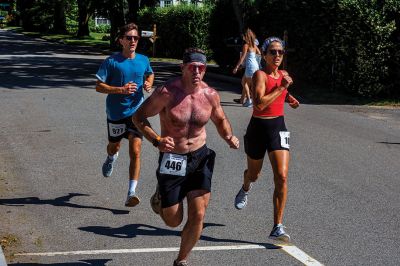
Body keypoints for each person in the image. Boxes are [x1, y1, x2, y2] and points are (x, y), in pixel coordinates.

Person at [133, 48, 239, 266]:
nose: (197, 72)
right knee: (174, 220)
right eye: (192, 68)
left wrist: (229, 136)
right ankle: (160, 197)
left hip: (200, 157)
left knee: (198, 214)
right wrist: (156, 140)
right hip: (173, 158)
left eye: (201, 68)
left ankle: (181, 260)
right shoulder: (167, 92)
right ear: (183, 68)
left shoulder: (210, 95)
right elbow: (139, 116)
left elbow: (220, 120)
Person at [234, 37, 300, 242]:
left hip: (278, 127)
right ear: (264, 55)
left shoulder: (284, 75)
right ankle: (246, 186)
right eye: (273, 52)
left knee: (281, 175)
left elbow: (283, 90)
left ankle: (277, 226)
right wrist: (282, 89)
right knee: (254, 175)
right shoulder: (259, 75)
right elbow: (260, 104)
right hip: (258, 128)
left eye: (281, 52)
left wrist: (289, 98)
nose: (278, 55)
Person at [95, 22, 154, 207]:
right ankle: (111, 157)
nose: (133, 41)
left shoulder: (143, 60)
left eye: (136, 38)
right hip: (116, 113)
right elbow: (98, 86)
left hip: (136, 113)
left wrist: (148, 84)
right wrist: (120, 89)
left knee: (135, 151)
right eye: (129, 38)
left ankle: (131, 193)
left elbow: (150, 74)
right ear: (121, 40)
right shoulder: (111, 62)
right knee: (114, 146)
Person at [232, 29, 261, 107]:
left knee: (245, 83)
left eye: (243, 36)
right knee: (246, 82)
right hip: (255, 65)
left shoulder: (246, 45)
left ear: (246, 37)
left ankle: (249, 100)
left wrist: (236, 67)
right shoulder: (254, 45)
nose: (243, 38)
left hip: (250, 66)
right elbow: (259, 53)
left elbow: (242, 58)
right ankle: (249, 100)